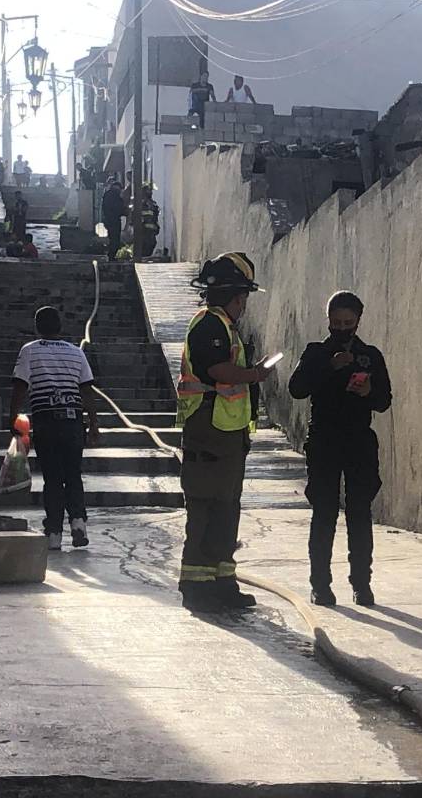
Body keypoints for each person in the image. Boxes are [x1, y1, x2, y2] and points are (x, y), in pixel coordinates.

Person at [176, 252, 276, 611]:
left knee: (226, 507)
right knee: (205, 505)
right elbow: (218, 370)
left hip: (227, 433)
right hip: (208, 429)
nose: (244, 305)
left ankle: (222, 582)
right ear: (235, 296)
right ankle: (196, 585)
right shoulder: (209, 325)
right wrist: (255, 375)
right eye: (243, 298)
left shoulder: (225, 326)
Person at [288, 291, 391, 607]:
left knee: (360, 513)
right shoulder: (316, 352)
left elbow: (384, 401)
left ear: (358, 321)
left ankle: (362, 584)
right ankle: (320, 585)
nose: (342, 328)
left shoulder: (370, 356)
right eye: (337, 323)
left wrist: (369, 390)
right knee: (324, 513)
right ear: (328, 320)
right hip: (324, 442)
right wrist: (329, 367)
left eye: (348, 323)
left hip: (358, 441)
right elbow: (297, 389)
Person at [8, 306, 101, 551]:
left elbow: (20, 387)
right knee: (72, 474)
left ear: (37, 327)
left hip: (46, 422)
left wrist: (13, 420)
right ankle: (79, 523)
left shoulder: (30, 351)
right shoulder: (75, 353)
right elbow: (87, 391)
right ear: (60, 326)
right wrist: (94, 425)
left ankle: (54, 534)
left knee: (52, 478)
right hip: (73, 423)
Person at [101, 180, 126, 260]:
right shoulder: (116, 196)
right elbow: (119, 208)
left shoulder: (107, 194)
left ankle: (111, 255)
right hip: (114, 220)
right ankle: (112, 256)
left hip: (108, 219)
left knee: (112, 237)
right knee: (115, 239)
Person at [137, 184, 160, 258]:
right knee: (145, 246)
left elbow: (155, 216)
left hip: (150, 230)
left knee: (150, 244)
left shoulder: (152, 204)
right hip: (144, 230)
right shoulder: (141, 204)